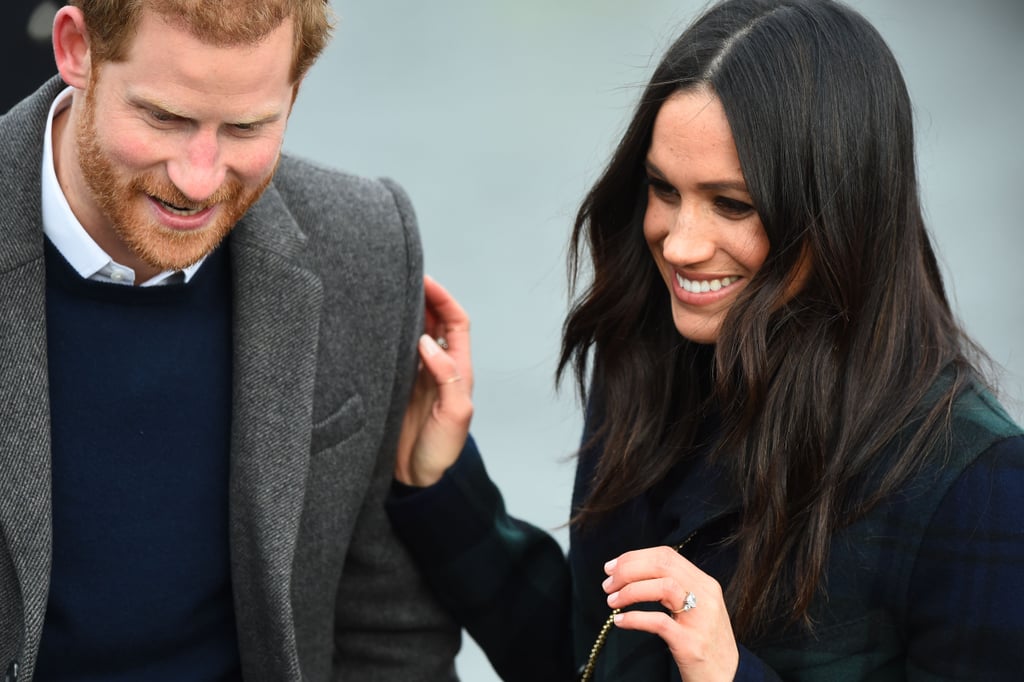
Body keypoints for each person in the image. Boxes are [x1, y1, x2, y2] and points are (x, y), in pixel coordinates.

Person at [387, 0, 1024, 680]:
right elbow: (587, 661)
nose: (681, 244)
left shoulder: (979, 483)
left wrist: (726, 673)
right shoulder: (645, 361)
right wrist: (440, 480)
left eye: (732, 204)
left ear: (841, 213)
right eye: (664, 189)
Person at [0, 1, 460, 680]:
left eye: (246, 127)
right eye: (164, 117)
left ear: (295, 89)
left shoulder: (366, 249)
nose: (199, 178)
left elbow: (388, 631)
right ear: (76, 50)